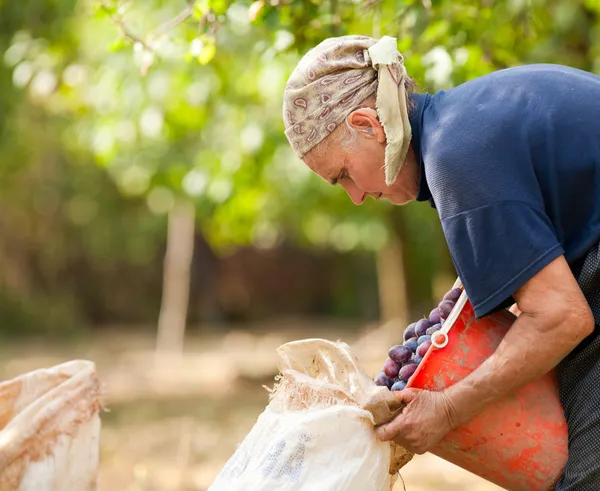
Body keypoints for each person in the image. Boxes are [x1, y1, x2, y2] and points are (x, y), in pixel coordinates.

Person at [282, 35, 600, 490]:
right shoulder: (460, 127)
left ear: (368, 125)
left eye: (344, 175)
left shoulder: (456, 157)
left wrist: (449, 408)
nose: (355, 197)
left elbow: (561, 317)